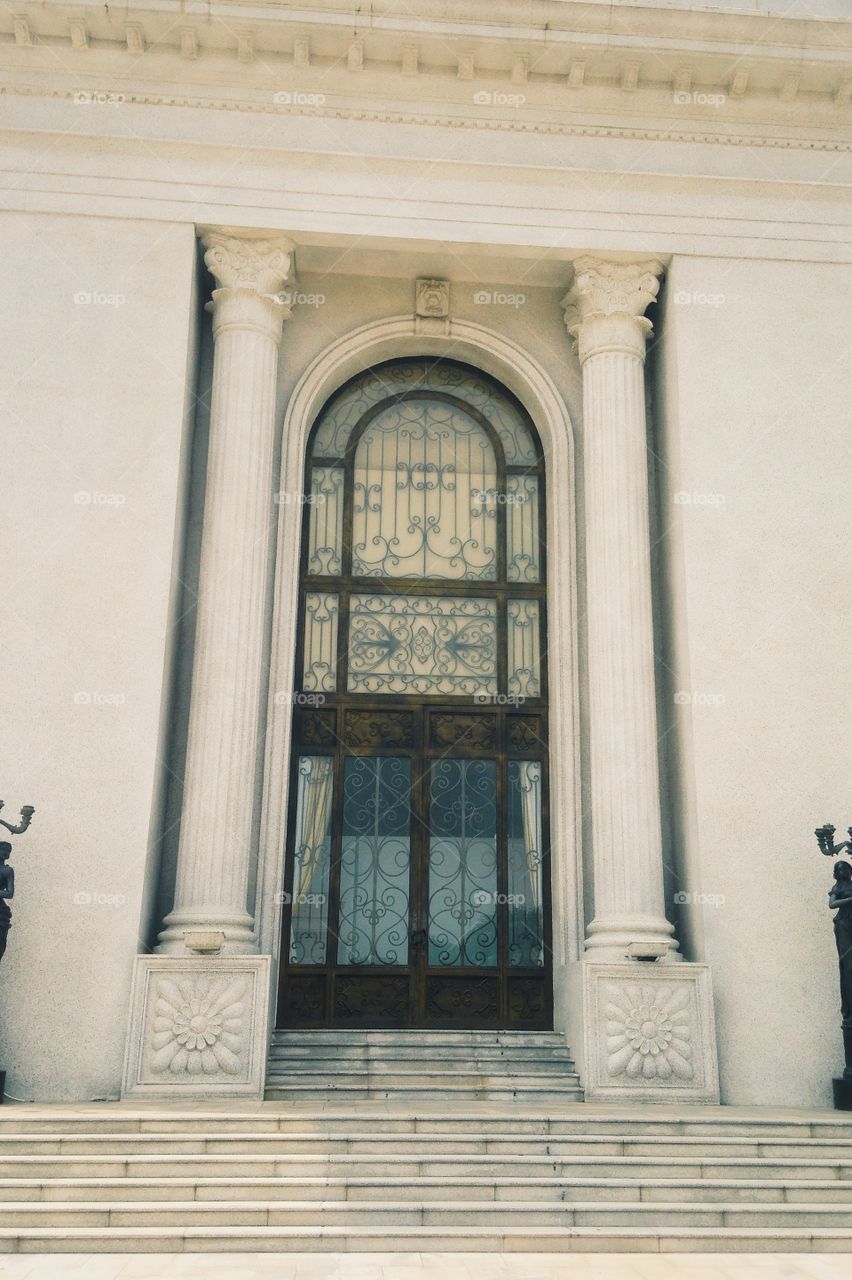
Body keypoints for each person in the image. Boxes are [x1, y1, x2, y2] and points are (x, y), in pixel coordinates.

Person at [0, 841, 13, 965]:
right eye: (3, 849)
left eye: (8, 851)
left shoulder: (7, 871)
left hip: (1, 912)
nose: (5, 852)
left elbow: (10, 893)